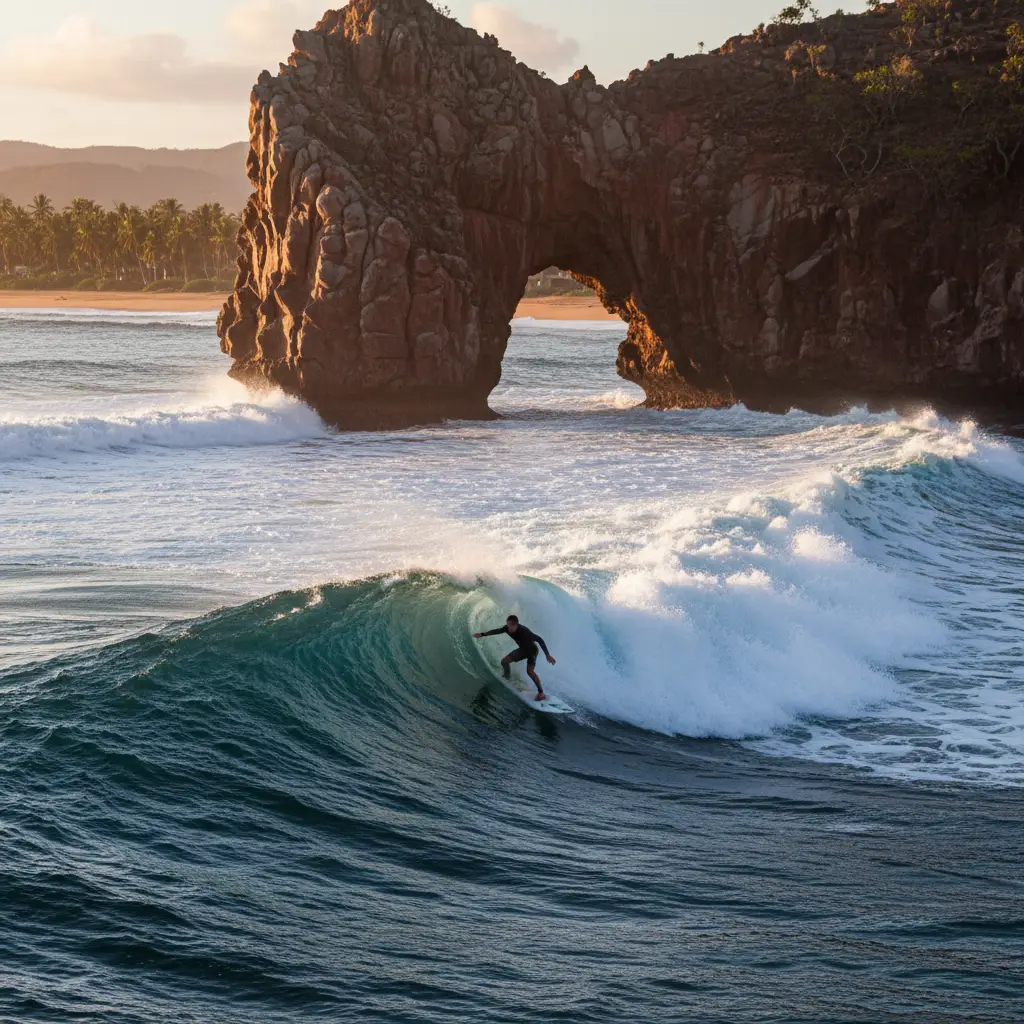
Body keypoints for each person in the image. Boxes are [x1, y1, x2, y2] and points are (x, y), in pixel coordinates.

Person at [474, 615, 556, 702]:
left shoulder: (524, 631)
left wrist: (547, 655)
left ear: (515, 625)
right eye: (507, 624)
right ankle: (507, 677)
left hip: (532, 651)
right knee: (504, 662)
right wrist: (483, 634)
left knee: (530, 672)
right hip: (523, 650)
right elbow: (497, 631)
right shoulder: (507, 628)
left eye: (510, 625)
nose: (508, 627)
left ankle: (541, 693)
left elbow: (539, 639)